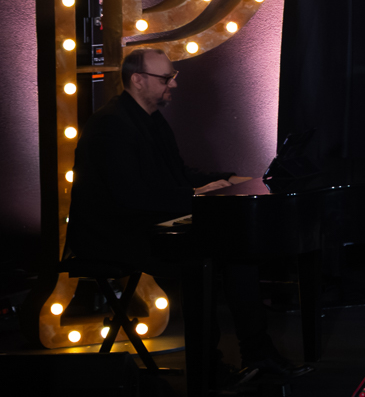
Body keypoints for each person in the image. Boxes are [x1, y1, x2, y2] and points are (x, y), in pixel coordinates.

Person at [65, 48, 291, 379]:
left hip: (142, 224)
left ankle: (245, 358)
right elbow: (130, 195)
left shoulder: (151, 119)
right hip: (111, 236)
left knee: (233, 250)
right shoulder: (110, 125)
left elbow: (178, 175)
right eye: (166, 78)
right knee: (209, 254)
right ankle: (214, 366)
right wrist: (198, 194)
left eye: (173, 77)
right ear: (137, 80)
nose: (173, 84)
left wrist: (229, 179)